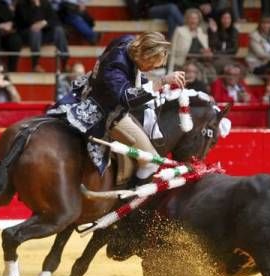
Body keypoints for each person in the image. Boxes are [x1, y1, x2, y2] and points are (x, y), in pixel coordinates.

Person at [48, 32, 185, 180]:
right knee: (151, 161)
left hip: (92, 92)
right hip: (103, 111)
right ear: (144, 55)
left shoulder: (129, 42)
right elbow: (125, 98)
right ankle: (134, 196)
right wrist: (161, 81)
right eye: (151, 64)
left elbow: (133, 75)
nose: (152, 69)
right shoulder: (117, 64)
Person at [15, 0, 69, 72]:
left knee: (59, 30)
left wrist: (44, 23)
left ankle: (64, 63)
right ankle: (35, 64)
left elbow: (55, 20)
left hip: (43, 33)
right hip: (27, 34)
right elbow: (30, 21)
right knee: (35, 31)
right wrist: (37, 7)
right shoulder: (21, 5)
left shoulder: (45, 3)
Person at [169, 8, 215, 84]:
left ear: (198, 20)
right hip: (183, 63)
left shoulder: (202, 32)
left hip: (200, 62)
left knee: (211, 71)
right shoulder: (179, 30)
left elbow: (206, 50)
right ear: (187, 19)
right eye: (191, 18)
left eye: (195, 18)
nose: (193, 20)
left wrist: (206, 53)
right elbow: (172, 50)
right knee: (194, 71)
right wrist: (170, 70)